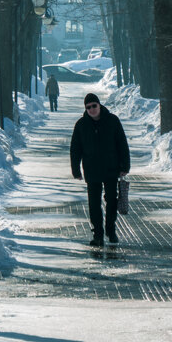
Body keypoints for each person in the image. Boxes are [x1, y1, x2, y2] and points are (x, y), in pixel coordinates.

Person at [70, 93, 130, 246]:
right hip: (91, 170)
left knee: (111, 201)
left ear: (99, 105)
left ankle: (111, 230)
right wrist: (76, 170)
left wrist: (125, 166)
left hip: (111, 168)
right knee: (94, 203)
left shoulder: (112, 121)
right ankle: (98, 233)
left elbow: (122, 144)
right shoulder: (81, 125)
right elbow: (75, 149)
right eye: (88, 107)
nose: (91, 109)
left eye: (94, 106)